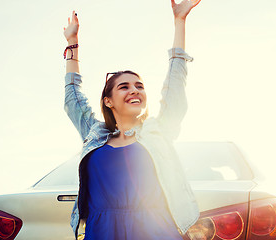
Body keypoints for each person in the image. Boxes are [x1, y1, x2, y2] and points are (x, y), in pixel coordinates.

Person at [63, 0, 202, 239]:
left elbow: (175, 84)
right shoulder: (94, 134)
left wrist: (180, 22)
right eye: (124, 87)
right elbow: (72, 99)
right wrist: (71, 44)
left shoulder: (157, 131)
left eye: (139, 86)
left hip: (156, 231)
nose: (134, 90)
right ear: (108, 101)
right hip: (102, 232)